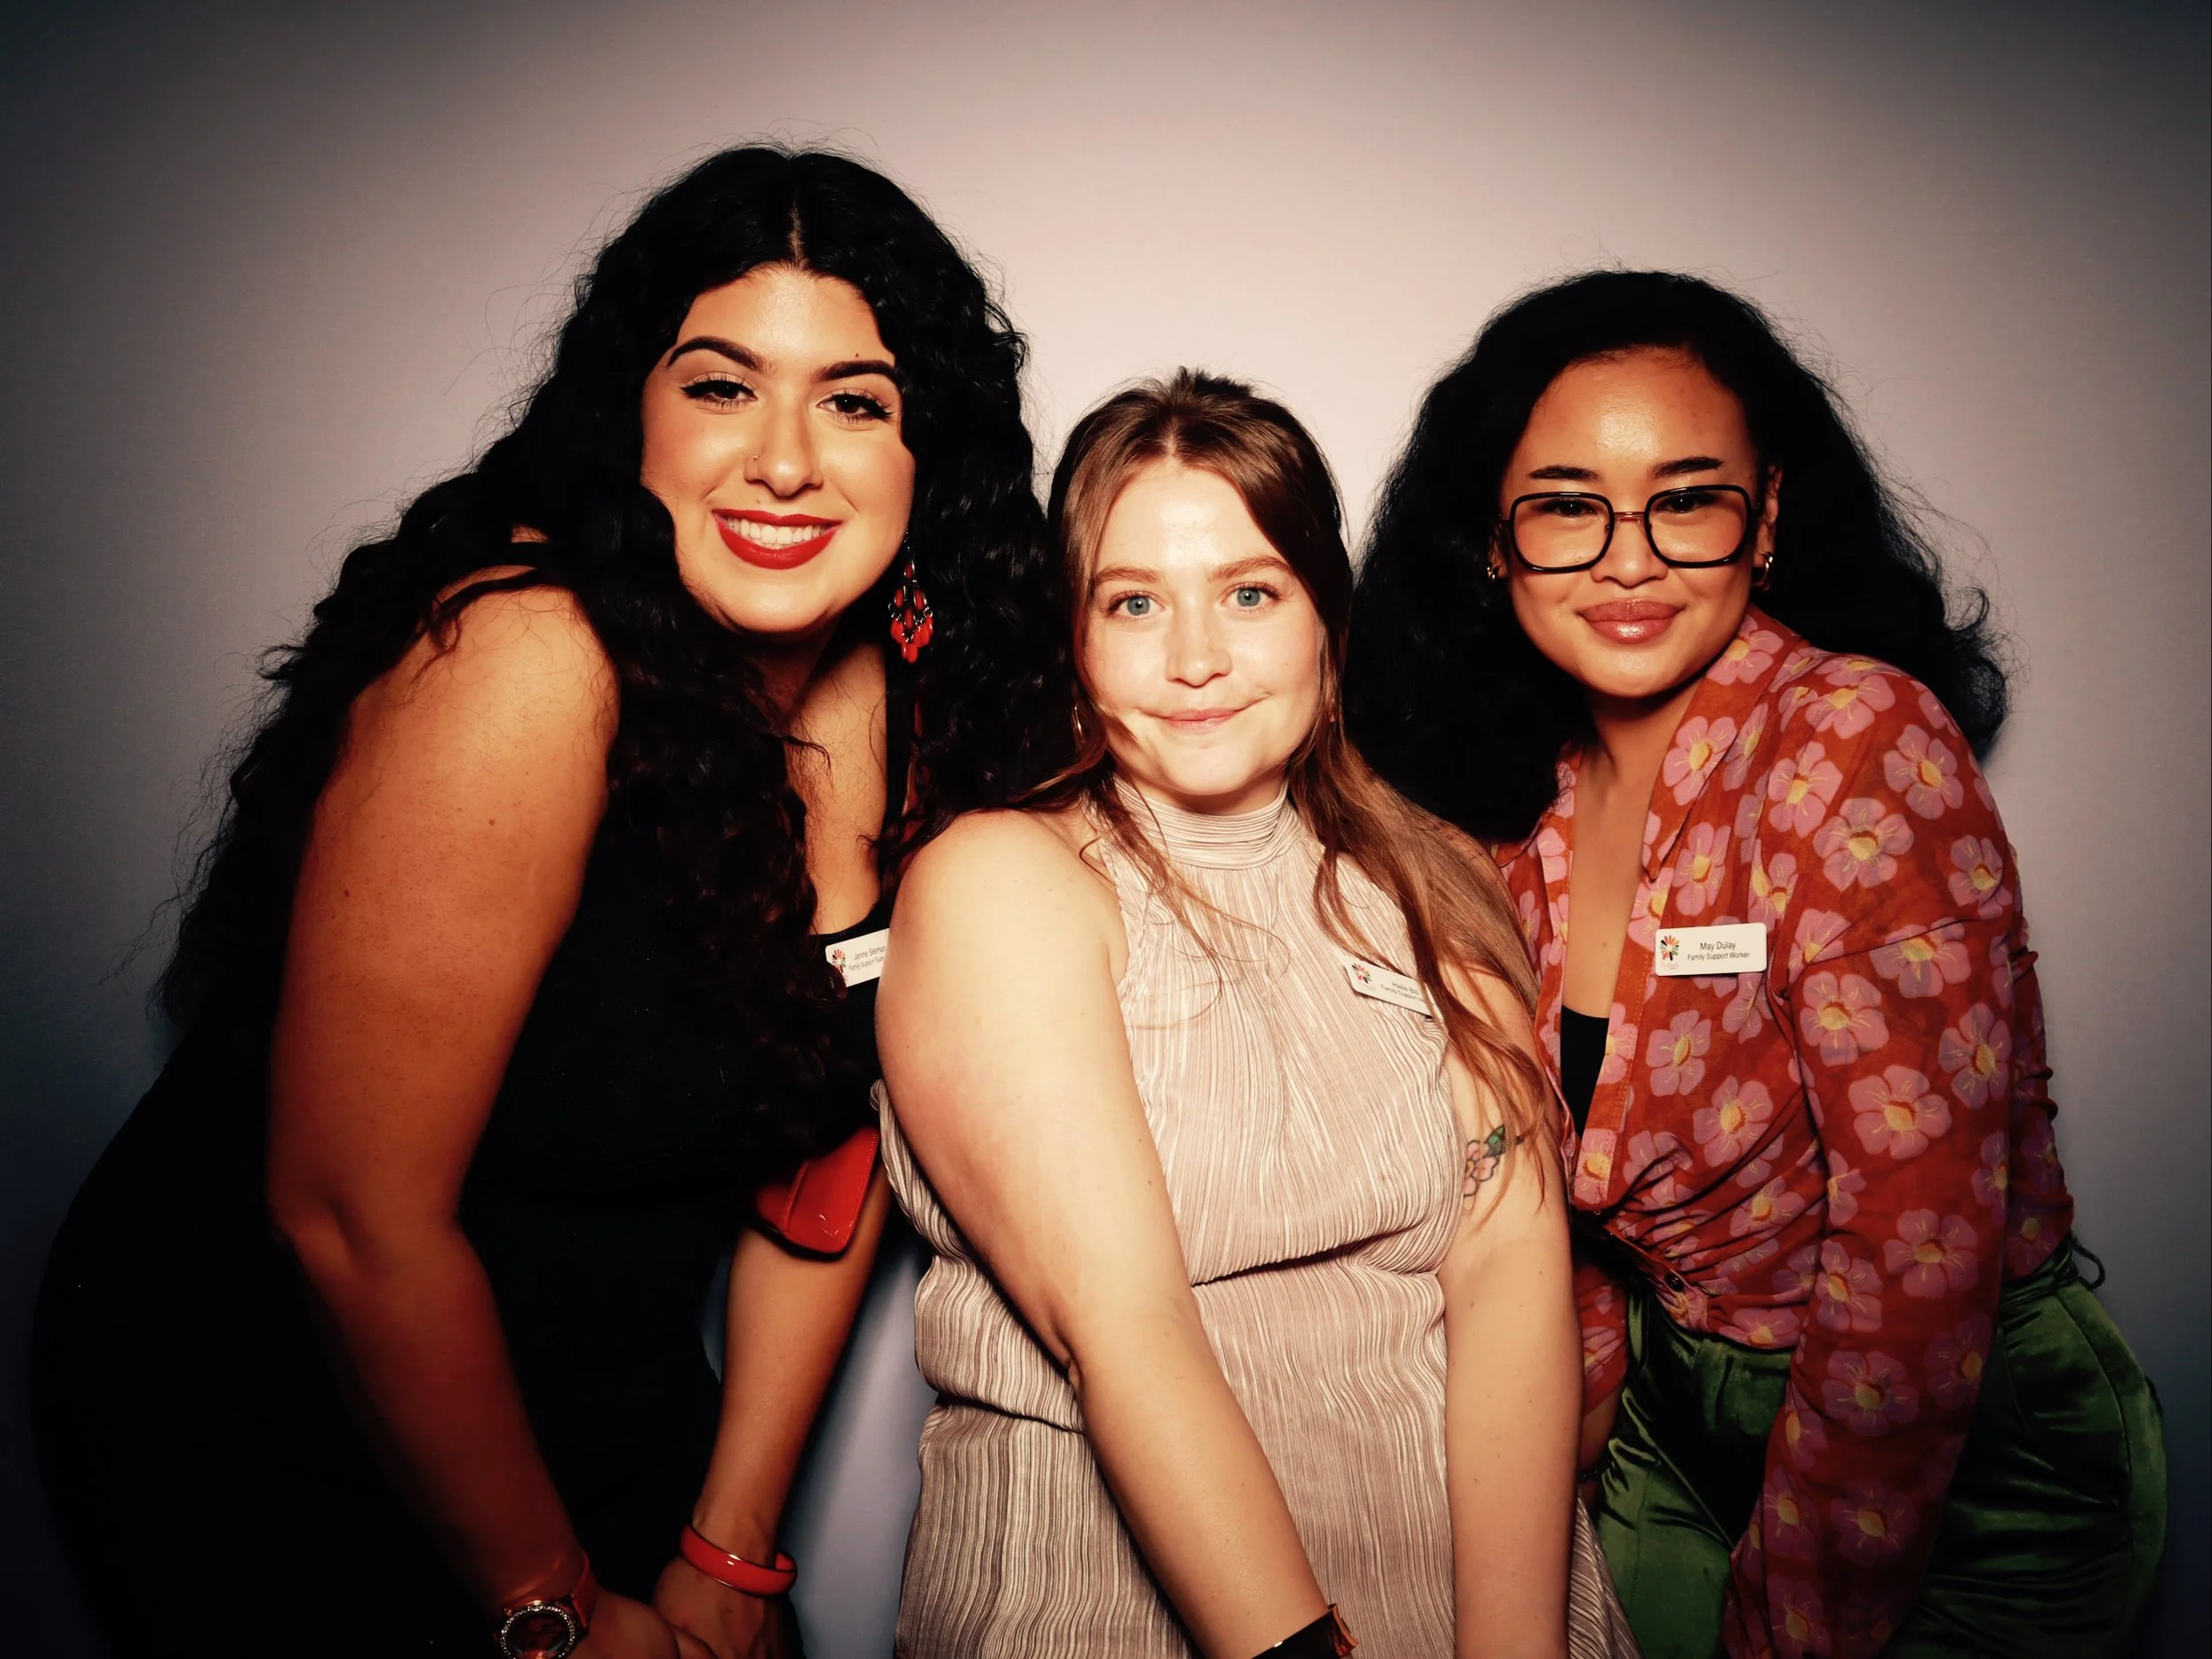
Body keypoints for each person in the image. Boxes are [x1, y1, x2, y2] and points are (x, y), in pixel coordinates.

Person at [31, 146, 1053, 1659]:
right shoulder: (531, 661)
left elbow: (827, 1148)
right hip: (280, 1389)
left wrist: (735, 1544)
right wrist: (553, 1608)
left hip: (599, 1383)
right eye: (720, 386)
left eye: (854, 398)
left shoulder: (916, 701)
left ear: (929, 452)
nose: (784, 459)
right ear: (629, 413)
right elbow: (348, 1215)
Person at [1345, 271, 2166, 1658]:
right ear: (1492, 539)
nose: (1628, 558)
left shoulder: (1855, 740)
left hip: (1970, 1456)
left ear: (1766, 515)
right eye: (1565, 504)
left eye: (1685, 497)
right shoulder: (1508, 810)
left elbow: (1918, 1261)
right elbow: (1569, 1221)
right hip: (1687, 1420)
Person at [874, 370, 1637, 1658]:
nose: (1196, 658)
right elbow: (1125, 1327)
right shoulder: (1005, 882)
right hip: (1110, 1602)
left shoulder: (1436, 883)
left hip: (1456, 1587)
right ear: (1075, 640)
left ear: (1325, 626)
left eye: (1248, 591)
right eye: (1134, 602)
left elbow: (1510, 1281)